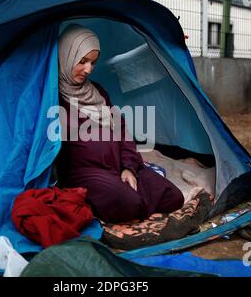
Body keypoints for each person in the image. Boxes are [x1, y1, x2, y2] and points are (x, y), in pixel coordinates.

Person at [55, 24, 184, 223]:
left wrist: (129, 168)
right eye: (82, 61)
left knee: (173, 197)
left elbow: (122, 131)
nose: (88, 69)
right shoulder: (54, 97)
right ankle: (122, 202)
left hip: (117, 168)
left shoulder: (97, 91)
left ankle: (125, 201)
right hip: (85, 175)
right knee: (130, 203)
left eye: (93, 62)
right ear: (66, 56)